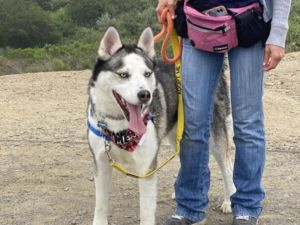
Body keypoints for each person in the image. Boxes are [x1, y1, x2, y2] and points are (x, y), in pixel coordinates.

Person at [156, 0, 291, 225]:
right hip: (197, 23)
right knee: (193, 122)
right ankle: (190, 207)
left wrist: (278, 34)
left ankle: (246, 207)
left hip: (250, 23)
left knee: (247, 123)